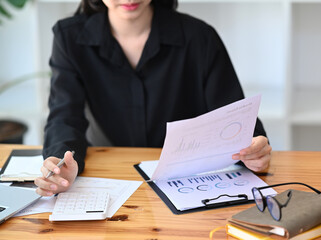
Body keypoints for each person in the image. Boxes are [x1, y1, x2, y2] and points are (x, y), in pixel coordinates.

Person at [35, 0, 272, 196]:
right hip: (110, 175)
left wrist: (254, 150)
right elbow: (64, 116)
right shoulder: (69, 37)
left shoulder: (200, 37)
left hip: (188, 180)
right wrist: (61, 162)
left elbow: (233, 114)